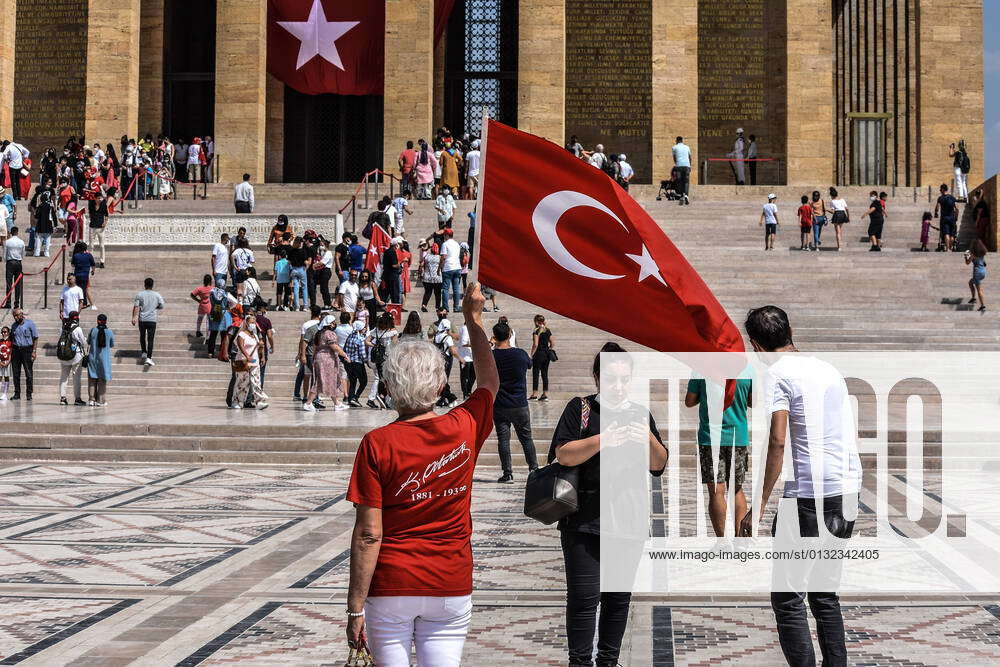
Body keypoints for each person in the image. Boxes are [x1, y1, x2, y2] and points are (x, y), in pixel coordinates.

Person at [345, 284, 499, 666]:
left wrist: (354, 608)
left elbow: (368, 534)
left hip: (392, 583)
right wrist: (473, 320)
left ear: (392, 387)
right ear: (441, 384)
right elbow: (489, 383)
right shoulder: (463, 425)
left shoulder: (377, 444)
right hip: (449, 580)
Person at [739, 305, 861, 667]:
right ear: (791, 331)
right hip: (847, 490)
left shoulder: (777, 375)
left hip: (810, 497)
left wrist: (758, 507)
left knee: (788, 597)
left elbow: (778, 440)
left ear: (756, 346)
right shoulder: (828, 369)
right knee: (825, 594)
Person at [550, 342, 667, 667]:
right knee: (584, 600)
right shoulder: (581, 408)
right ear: (597, 377)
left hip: (627, 523)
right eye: (611, 379)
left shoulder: (639, 413)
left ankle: (608, 661)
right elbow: (563, 453)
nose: (618, 386)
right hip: (583, 523)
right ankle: (580, 661)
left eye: (624, 379)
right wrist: (604, 440)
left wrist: (648, 438)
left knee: (617, 599)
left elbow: (658, 464)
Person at [685, 375, 752, 538]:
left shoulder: (701, 369)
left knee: (716, 491)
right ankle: (739, 540)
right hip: (738, 437)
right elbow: (752, 402)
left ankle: (721, 542)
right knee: (736, 489)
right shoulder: (747, 369)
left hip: (711, 439)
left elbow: (689, 401)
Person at [491, 320, 537, 484]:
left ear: (495, 337)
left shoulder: (492, 356)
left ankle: (507, 473)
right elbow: (529, 365)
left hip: (500, 404)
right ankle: (534, 469)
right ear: (510, 334)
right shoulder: (520, 354)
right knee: (526, 438)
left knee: (503, 439)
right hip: (519, 404)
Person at [304, 315, 349, 412]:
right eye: (333, 322)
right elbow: (334, 347)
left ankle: (337, 403)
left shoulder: (320, 333)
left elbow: (316, 348)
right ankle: (308, 403)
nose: (334, 324)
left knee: (330, 381)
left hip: (321, 358)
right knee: (320, 381)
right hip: (327, 360)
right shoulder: (329, 333)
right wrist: (345, 355)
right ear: (329, 324)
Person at [231, 313, 269, 411]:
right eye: (251, 322)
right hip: (243, 361)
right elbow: (240, 346)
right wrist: (247, 356)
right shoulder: (241, 334)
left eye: (254, 322)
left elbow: (259, 347)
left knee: (256, 382)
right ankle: (237, 401)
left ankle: (259, 401)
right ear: (246, 323)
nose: (253, 324)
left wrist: (262, 356)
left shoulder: (255, 335)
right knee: (242, 382)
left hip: (255, 361)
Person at [366, 312, 399, 410]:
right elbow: (394, 346)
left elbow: (366, 341)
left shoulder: (376, 330)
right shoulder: (392, 332)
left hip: (378, 358)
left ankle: (381, 396)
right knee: (389, 378)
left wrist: (374, 345)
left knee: (381, 377)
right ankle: (383, 396)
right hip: (388, 357)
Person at [132, 277, 165, 367]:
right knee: (150, 339)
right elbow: (162, 305)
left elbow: (136, 306)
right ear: (152, 285)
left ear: (145, 284)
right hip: (152, 319)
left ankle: (144, 352)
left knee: (142, 335)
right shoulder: (157, 295)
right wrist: (155, 307)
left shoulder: (140, 294)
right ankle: (149, 358)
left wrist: (134, 317)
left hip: (142, 319)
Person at [57, 311, 87, 406]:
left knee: (64, 377)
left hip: (64, 356)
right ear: (77, 318)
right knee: (76, 378)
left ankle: (63, 398)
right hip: (76, 356)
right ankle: (77, 398)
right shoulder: (77, 328)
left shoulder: (63, 328)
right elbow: (83, 342)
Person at [9, 308, 38, 400]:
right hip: (16, 350)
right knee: (16, 373)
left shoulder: (30, 324)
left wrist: (34, 351)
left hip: (27, 350)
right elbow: (11, 339)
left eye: (17, 315)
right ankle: (17, 393)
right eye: (14, 316)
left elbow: (35, 338)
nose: (16, 318)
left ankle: (29, 394)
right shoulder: (13, 326)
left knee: (28, 373)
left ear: (22, 314)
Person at [86, 313, 114, 406]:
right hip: (104, 360)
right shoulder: (109, 332)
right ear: (106, 321)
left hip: (93, 358)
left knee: (92, 380)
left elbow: (88, 342)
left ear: (97, 321)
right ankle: (100, 400)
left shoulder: (93, 331)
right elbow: (111, 344)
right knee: (102, 380)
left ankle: (91, 399)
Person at [434, 315, 461, 408]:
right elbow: (453, 351)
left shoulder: (436, 336)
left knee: (441, 380)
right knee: (444, 380)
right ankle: (451, 398)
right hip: (447, 360)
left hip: (438, 360)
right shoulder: (448, 338)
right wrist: (460, 358)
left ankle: (442, 399)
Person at [207, 279, 237, 358]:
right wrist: (229, 307)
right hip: (224, 314)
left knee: (213, 334)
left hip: (214, 312)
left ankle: (210, 352)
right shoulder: (226, 294)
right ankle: (222, 351)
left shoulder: (212, 292)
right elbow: (235, 302)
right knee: (224, 335)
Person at [343, 320, 369, 407]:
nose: (365, 329)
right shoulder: (360, 339)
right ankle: (355, 397)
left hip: (349, 363)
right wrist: (367, 361)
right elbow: (362, 354)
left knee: (352, 381)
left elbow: (345, 349)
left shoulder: (350, 337)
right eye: (364, 327)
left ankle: (351, 399)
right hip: (358, 363)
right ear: (360, 329)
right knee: (364, 381)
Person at [529, 314, 554, 401]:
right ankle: (545, 394)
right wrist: (548, 349)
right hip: (546, 354)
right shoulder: (548, 330)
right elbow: (552, 343)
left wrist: (531, 354)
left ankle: (534, 394)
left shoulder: (536, 331)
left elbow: (535, 344)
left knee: (536, 374)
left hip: (538, 354)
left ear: (536, 322)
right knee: (545, 374)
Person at [70, 241, 97, 310]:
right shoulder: (89, 255)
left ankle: (78, 303)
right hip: (85, 275)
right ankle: (84, 303)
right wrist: (93, 271)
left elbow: (72, 265)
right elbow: (93, 265)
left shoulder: (76, 255)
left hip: (77, 275)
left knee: (78, 289)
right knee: (84, 289)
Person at [440, 229, 462, 312]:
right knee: (456, 289)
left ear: (446, 235)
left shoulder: (445, 244)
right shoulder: (457, 244)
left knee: (445, 289)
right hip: (457, 267)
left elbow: (444, 257)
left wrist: (440, 268)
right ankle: (456, 307)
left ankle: (446, 307)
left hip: (448, 267)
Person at [287, 237, 311, 311]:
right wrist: (306, 267)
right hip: (301, 269)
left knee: (296, 288)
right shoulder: (303, 251)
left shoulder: (291, 251)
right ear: (301, 243)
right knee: (304, 287)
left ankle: (297, 306)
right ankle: (305, 306)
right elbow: (306, 262)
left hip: (294, 269)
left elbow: (289, 261)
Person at [3, 227, 25, 309]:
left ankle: (8, 303)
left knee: (9, 283)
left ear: (11, 233)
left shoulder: (7, 242)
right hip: (18, 262)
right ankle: (17, 303)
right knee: (17, 284)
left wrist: (6, 261)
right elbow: (23, 254)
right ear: (17, 232)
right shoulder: (21, 242)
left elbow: (4, 254)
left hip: (10, 263)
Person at [419, 242, 443, 312]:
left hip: (427, 278)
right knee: (438, 293)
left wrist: (420, 274)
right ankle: (437, 307)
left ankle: (424, 305)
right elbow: (442, 266)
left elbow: (421, 265)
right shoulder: (439, 257)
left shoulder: (426, 256)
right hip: (437, 278)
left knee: (427, 292)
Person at [934, 183, 959, 252]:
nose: (940, 191)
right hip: (952, 218)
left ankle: (948, 248)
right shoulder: (952, 198)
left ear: (943, 189)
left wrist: (936, 213)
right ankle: (951, 248)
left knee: (946, 234)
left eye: (940, 189)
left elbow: (937, 207)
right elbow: (957, 209)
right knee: (952, 235)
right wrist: (956, 217)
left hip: (944, 219)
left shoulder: (940, 198)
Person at [33, 191, 57, 257]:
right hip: (48, 225)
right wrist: (55, 225)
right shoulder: (50, 206)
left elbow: (36, 216)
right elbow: (54, 216)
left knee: (38, 238)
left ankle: (37, 252)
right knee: (48, 239)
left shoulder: (39, 206)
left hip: (40, 225)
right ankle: (46, 252)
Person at [966, 239, 988, 312]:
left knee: (979, 290)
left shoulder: (972, 254)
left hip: (977, 272)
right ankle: (973, 298)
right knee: (970, 282)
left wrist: (966, 257)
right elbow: (985, 264)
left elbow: (967, 263)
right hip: (983, 272)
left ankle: (983, 306)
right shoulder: (982, 253)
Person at [672, 136, 692, 205]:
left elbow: (674, 158)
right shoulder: (687, 147)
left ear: (676, 141)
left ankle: (681, 196)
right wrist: (689, 166)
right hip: (687, 166)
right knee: (686, 181)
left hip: (679, 166)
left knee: (679, 181)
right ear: (682, 140)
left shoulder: (674, 147)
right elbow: (689, 157)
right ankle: (686, 195)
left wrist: (677, 164)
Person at [457, 323, 475, 399]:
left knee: (473, 375)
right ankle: (465, 393)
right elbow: (464, 343)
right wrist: (476, 344)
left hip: (471, 357)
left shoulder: (471, 329)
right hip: (465, 357)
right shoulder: (465, 329)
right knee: (465, 376)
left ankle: (468, 391)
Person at [0, 325, 10, 401]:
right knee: (0, 377)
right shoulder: (0, 341)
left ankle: (5, 394)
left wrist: (8, 362)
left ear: (8, 333)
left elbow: (11, 353)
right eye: (2, 332)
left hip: (7, 361)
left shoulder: (10, 342)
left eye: (5, 332)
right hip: (0, 361)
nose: (3, 333)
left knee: (6, 377)